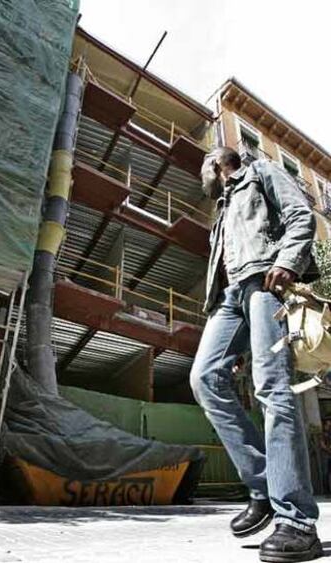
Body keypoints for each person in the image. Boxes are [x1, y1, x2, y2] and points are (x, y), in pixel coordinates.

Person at [190, 147, 323, 563]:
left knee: (273, 391)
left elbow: (302, 216)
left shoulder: (261, 171)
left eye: (203, 170)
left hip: (266, 281)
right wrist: (238, 339)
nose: (202, 181)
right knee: (205, 378)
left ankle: (298, 521)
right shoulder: (221, 212)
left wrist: (287, 262)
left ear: (216, 163)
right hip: (229, 301)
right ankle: (266, 485)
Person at [320, 417, 331, 494]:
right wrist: (328, 449)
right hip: (326, 455)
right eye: (328, 423)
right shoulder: (323, 434)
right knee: (326, 473)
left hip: (329, 454)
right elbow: (322, 445)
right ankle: (326, 491)